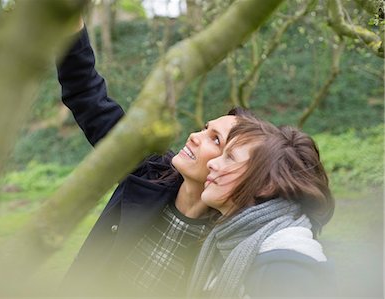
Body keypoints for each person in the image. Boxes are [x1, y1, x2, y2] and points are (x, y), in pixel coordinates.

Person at [56, 21, 254, 297]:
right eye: (204, 129)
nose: (195, 136)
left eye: (215, 140)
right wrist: (71, 23)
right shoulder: (146, 169)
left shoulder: (225, 244)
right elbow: (87, 95)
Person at [187, 117, 336, 298]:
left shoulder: (287, 272)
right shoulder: (227, 242)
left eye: (230, 158)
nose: (212, 163)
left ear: (266, 185)